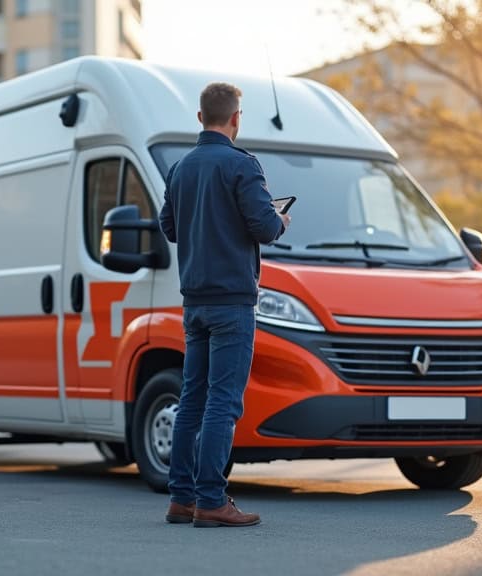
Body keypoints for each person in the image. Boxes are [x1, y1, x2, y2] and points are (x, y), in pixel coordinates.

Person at [158, 82, 290, 528]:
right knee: (223, 402)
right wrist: (281, 219)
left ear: (200, 118)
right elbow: (265, 226)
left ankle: (182, 498)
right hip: (232, 303)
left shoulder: (179, 169)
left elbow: (170, 228)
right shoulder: (242, 165)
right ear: (236, 118)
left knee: (192, 398)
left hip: (193, 303)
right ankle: (212, 500)